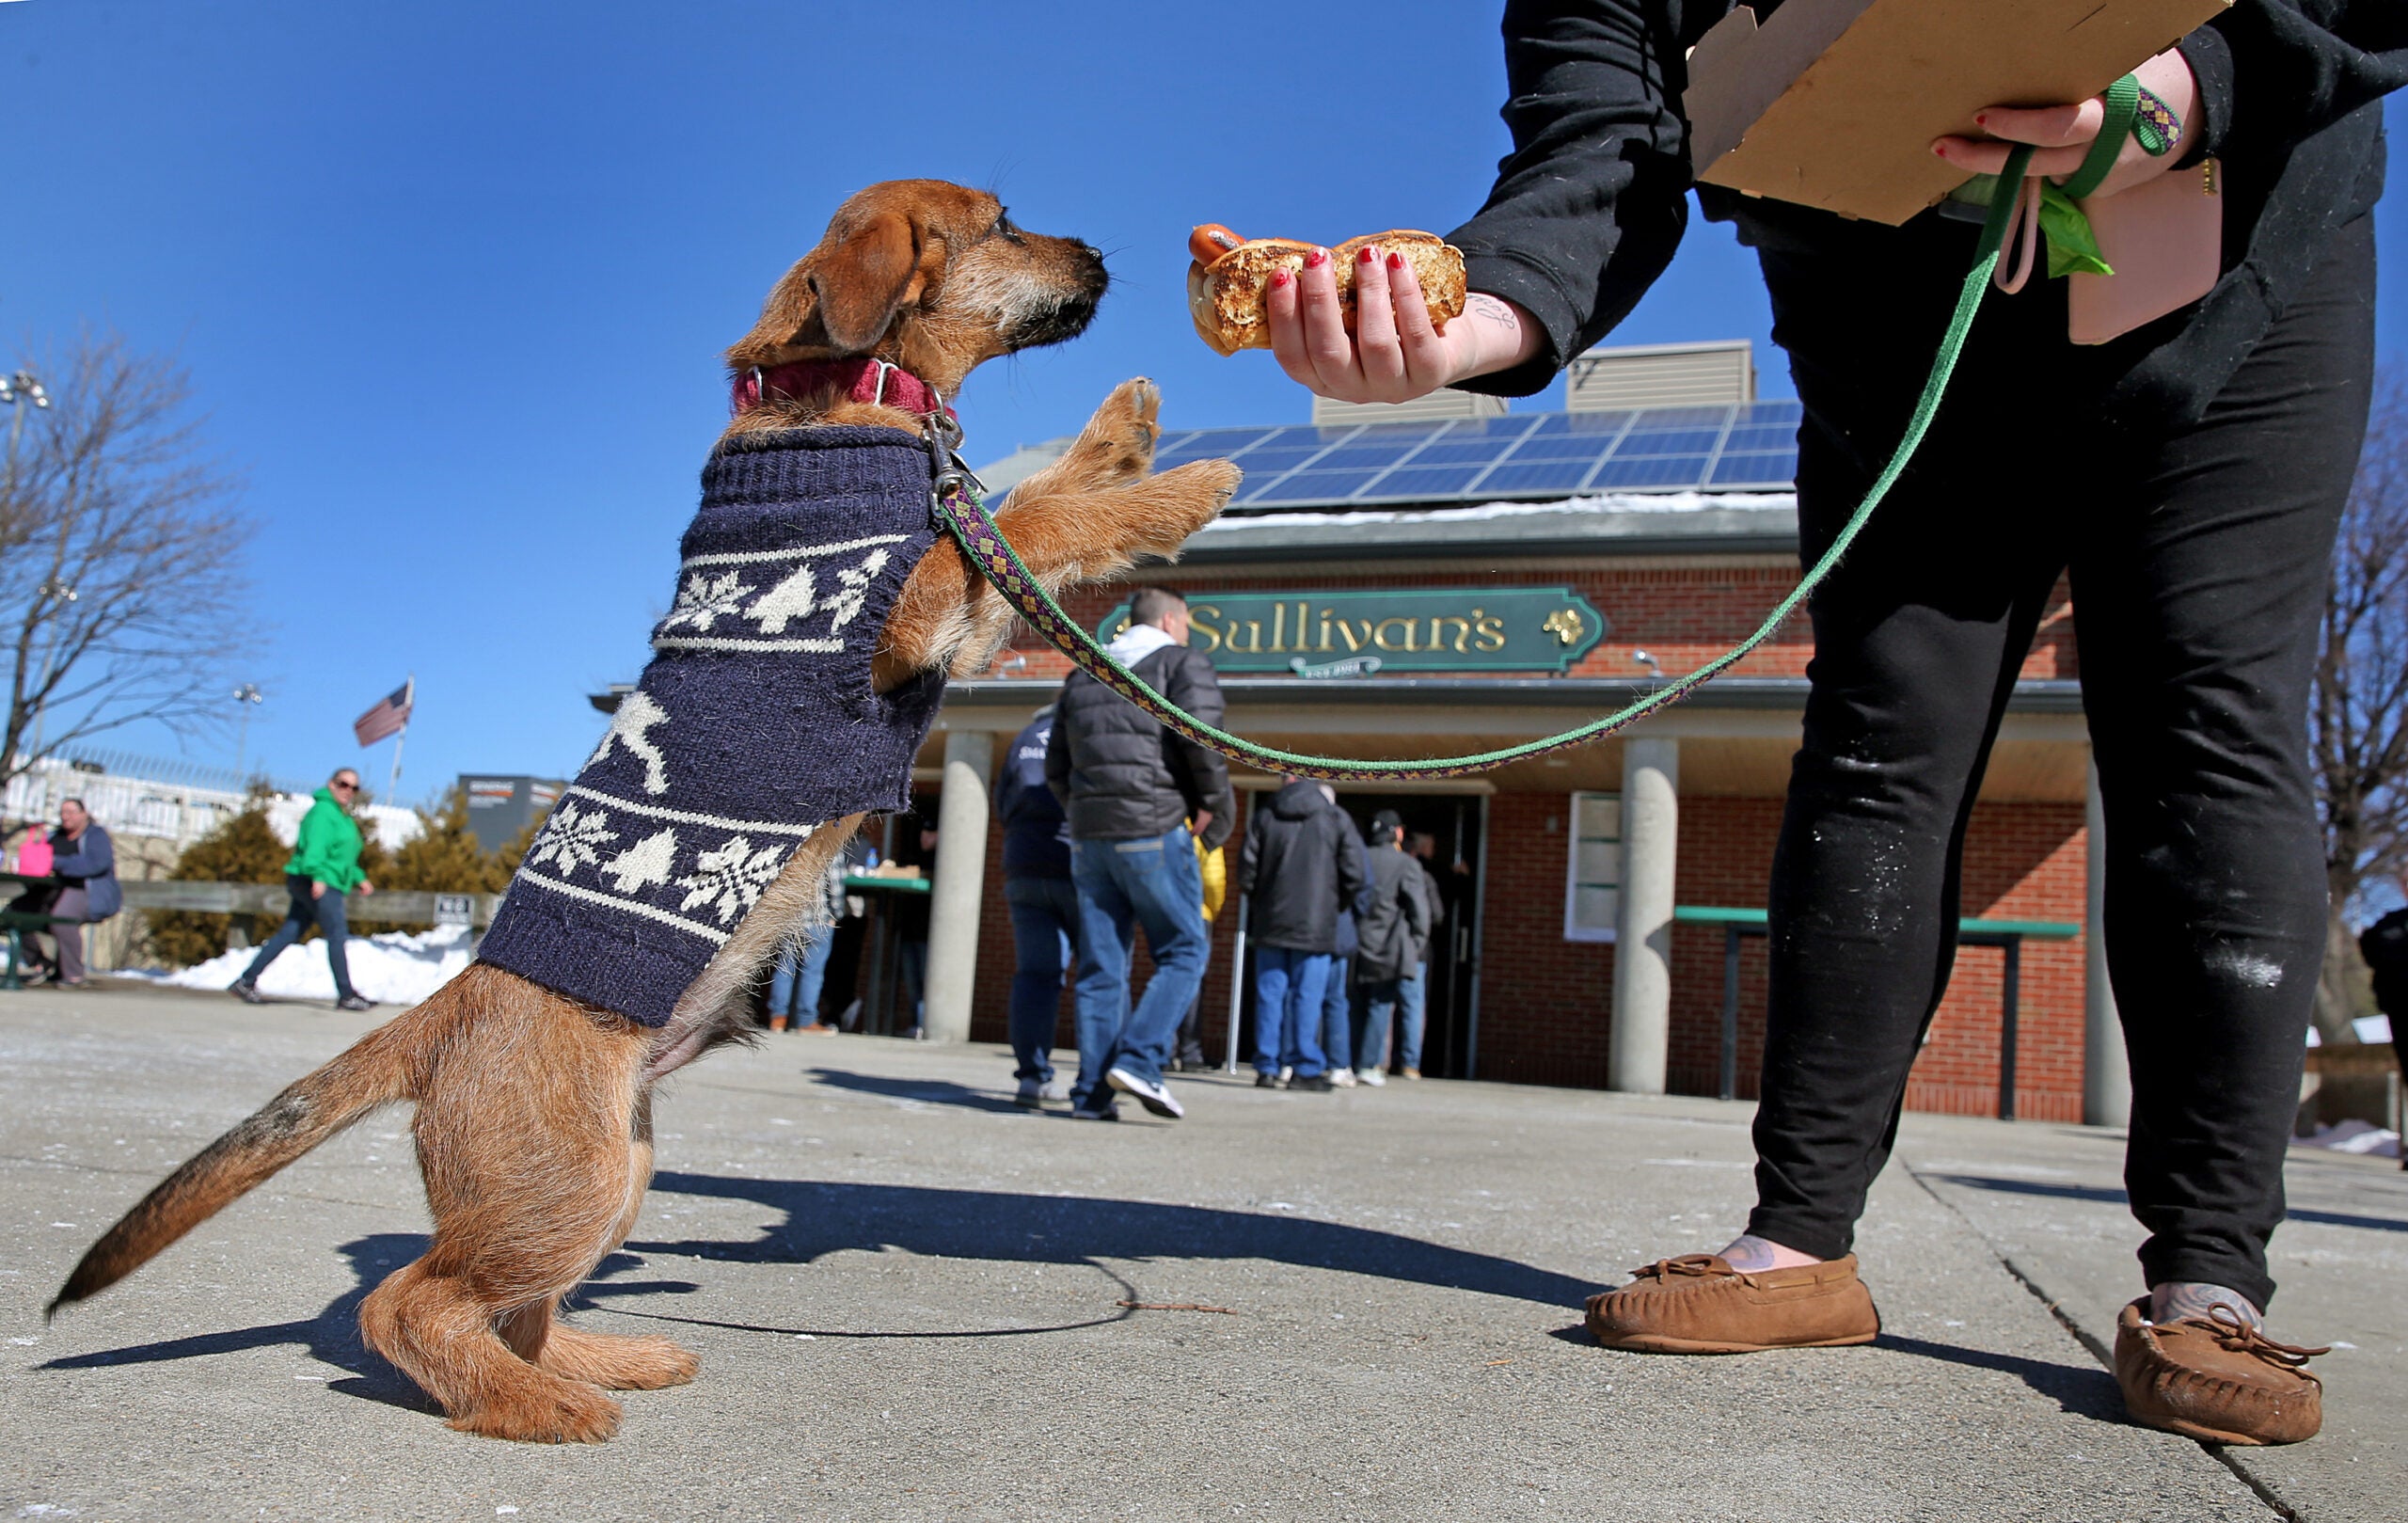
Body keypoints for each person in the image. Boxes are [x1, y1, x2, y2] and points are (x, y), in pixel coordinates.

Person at [1264, 0, 2402, 1445]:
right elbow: (1608, 143)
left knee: (2205, 726)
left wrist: (2184, 89)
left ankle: (2210, 1276)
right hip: (1902, 329)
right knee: (1878, 746)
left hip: (2235, 272)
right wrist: (1489, 314)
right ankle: (1801, 1241)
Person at [1047, 586, 1235, 1119]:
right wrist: (1216, 810)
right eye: (1188, 623)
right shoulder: (1182, 662)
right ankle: (1141, 1060)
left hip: (1090, 839)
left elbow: (1055, 770)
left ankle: (1091, 1094)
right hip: (1153, 828)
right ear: (1172, 621)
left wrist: (1086, 814)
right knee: (1185, 949)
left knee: (1102, 967)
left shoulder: (1083, 674)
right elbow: (1204, 740)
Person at [1238, 776, 1368, 1092]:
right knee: (1307, 996)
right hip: (1317, 922)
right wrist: (1335, 906)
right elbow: (1355, 872)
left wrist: (1262, 903)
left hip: (1272, 921)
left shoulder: (1266, 815)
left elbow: (1247, 870)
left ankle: (1267, 1067)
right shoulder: (1335, 817)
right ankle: (1304, 1067)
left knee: (1270, 994)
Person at [230, 770, 377, 1010]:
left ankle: (246, 981)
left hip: (321, 879)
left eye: (354, 787)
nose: (348, 790)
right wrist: (317, 877)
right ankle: (346, 994)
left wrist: (359, 878)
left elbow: (343, 857)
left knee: (290, 931)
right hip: (316, 881)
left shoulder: (342, 817)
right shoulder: (323, 813)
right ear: (331, 784)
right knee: (337, 933)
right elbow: (314, 850)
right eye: (343, 784)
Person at [998, 706, 1078, 1106]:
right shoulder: (1080, 731)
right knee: (1100, 974)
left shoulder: (1023, 739)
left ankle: (1031, 1077)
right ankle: (1093, 1084)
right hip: (1075, 863)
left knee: (1035, 975)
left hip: (1024, 865)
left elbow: (1003, 800)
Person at [1354, 811, 1434, 1086]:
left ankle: (1346, 1060)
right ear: (1398, 833)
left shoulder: (1359, 857)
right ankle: (1368, 1064)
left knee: (1352, 1003)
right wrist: (1417, 942)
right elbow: (1419, 910)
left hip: (1356, 941)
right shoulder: (1405, 864)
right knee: (1381, 1003)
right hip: (1389, 944)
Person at [767, 832, 861, 1033]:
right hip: (817, 917)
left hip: (789, 917)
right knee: (813, 972)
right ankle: (806, 1021)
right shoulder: (829, 843)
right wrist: (836, 913)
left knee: (784, 968)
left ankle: (778, 1018)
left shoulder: (793, 840)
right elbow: (835, 884)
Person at [44, 800, 120, 988]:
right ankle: (40, 963)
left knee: (62, 917)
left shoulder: (95, 836)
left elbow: (95, 864)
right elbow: (41, 859)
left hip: (87, 889)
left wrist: (58, 863)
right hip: (53, 889)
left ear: (84, 814)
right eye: (63, 812)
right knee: (18, 912)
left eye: (71, 811)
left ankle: (73, 974)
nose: (65, 816)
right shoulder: (55, 836)